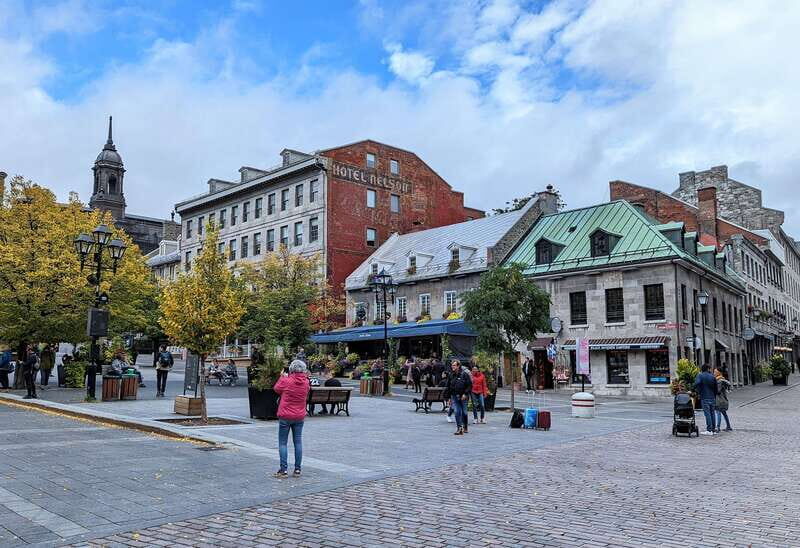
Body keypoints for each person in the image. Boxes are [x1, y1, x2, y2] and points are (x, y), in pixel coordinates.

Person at [273, 360, 311, 477]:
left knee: (283, 443)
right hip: (299, 416)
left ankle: (283, 470)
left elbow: (276, 389)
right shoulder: (306, 383)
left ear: (291, 369)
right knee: (298, 442)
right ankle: (297, 469)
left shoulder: (286, 381)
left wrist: (282, 377)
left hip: (285, 415)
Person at [447, 360, 472, 435]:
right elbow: (449, 387)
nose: (452, 367)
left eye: (454, 365)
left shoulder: (464, 374)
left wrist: (465, 393)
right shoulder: (451, 375)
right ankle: (459, 428)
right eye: (452, 365)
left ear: (458, 366)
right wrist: (449, 397)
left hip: (463, 396)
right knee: (457, 412)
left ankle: (465, 426)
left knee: (464, 412)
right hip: (455, 396)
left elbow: (469, 385)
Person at [693, 364, 718, 435]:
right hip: (712, 397)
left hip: (704, 397)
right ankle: (713, 429)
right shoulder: (713, 376)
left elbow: (697, 383)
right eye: (710, 368)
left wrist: (695, 389)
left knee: (707, 414)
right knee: (712, 413)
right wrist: (714, 394)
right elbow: (716, 388)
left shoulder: (700, 375)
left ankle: (709, 430)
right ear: (707, 369)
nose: (710, 370)